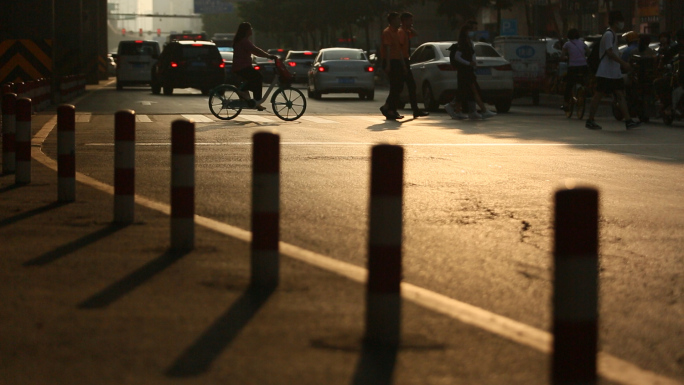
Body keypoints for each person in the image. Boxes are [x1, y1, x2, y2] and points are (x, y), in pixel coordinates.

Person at [584, 11, 640, 130]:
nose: (622, 23)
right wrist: (623, 63)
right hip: (606, 72)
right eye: (620, 21)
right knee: (598, 95)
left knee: (620, 94)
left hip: (613, 72)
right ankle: (590, 120)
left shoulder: (612, 34)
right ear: (615, 22)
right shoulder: (609, 34)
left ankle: (628, 121)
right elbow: (609, 53)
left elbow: (613, 52)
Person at [448, 21, 496, 119]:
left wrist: (473, 64)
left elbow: (472, 55)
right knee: (473, 90)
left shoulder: (469, 42)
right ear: (465, 31)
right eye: (470, 30)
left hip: (469, 70)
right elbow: (457, 57)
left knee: (464, 91)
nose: (472, 32)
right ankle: (483, 110)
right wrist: (468, 63)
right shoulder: (463, 43)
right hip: (465, 71)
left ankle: (462, 110)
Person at [231, 22, 279, 111]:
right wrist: (268, 56)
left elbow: (255, 51)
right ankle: (250, 97)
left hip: (242, 67)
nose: (251, 30)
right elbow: (255, 50)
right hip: (242, 67)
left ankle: (255, 101)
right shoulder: (244, 41)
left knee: (256, 79)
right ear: (246, 31)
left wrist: (267, 56)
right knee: (258, 77)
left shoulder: (242, 40)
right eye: (250, 29)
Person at [398, 12, 429, 118]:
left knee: (409, 86)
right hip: (403, 61)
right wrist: (403, 65)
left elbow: (416, 33)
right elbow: (400, 50)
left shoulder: (406, 31)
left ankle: (415, 110)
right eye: (410, 20)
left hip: (405, 61)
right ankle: (389, 107)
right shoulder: (401, 32)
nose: (412, 23)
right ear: (404, 21)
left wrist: (409, 27)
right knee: (400, 87)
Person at [379, 12, 406, 120]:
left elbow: (399, 50)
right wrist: (388, 65)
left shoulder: (397, 32)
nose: (399, 21)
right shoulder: (387, 32)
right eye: (397, 19)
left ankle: (388, 107)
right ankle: (390, 109)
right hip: (390, 61)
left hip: (397, 61)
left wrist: (403, 64)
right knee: (395, 86)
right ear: (392, 20)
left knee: (399, 86)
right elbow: (388, 49)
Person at [560, 28, 588, 111]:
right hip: (584, 67)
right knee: (582, 81)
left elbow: (562, 56)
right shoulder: (582, 43)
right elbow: (589, 52)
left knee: (569, 85)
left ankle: (565, 104)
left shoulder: (567, 44)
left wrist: (565, 57)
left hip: (573, 68)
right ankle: (583, 92)